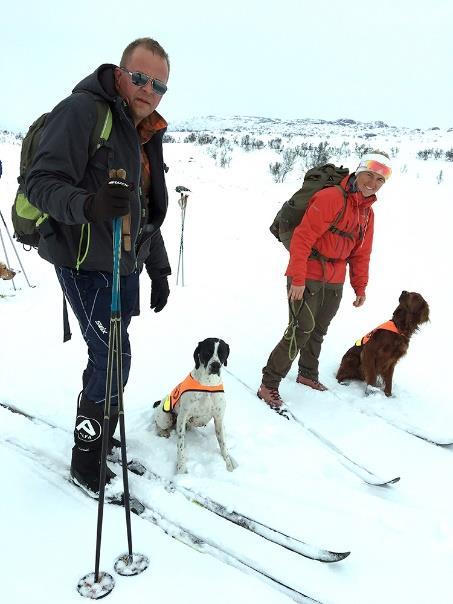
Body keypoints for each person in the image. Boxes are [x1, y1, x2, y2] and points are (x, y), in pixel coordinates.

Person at [26, 38, 172, 496]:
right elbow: (39, 183)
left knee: (117, 355)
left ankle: (104, 433)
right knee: (110, 358)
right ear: (121, 72)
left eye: (160, 85)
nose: (149, 90)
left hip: (124, 261)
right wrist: (88, 205)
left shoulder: (144, 131)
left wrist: (159, 267)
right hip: (84, 259)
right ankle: (86, 457)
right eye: (141, 78)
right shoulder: (83, 111)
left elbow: (144, 208)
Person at [257, 152, 392, 408]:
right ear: (358, 171)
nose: (372, 183)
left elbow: (362, 252)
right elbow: (303, 238)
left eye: (380, 180)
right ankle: (269, 384)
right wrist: (297, 278)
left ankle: (307, 374)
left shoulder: (367, 213)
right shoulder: (331, 197)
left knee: (318, 330)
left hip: (335, 278)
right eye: (369, 175)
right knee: (300, 329)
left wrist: (360, 286)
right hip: (307, 273)